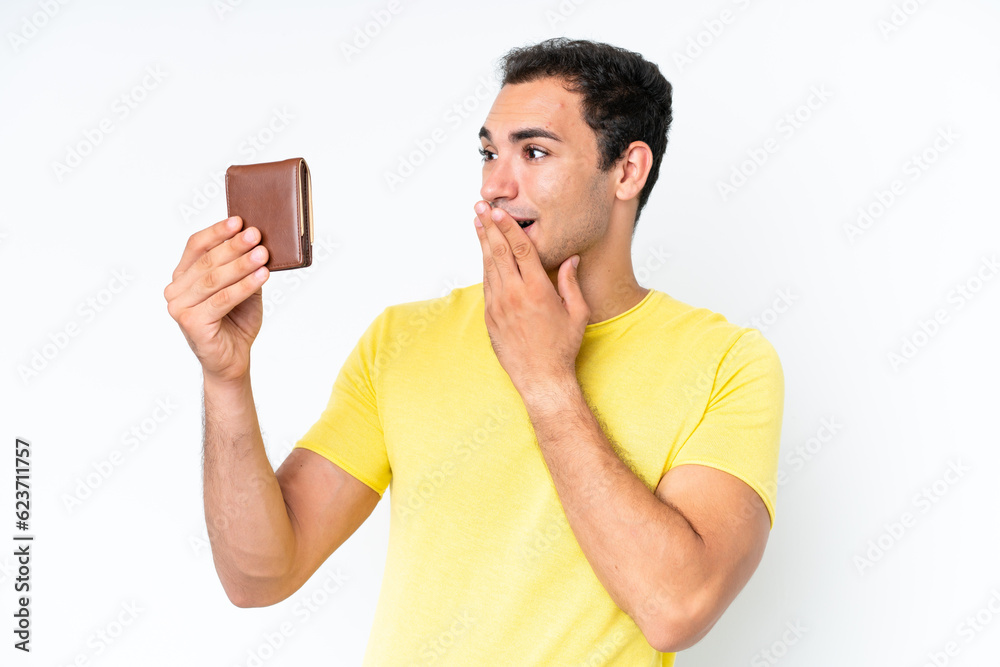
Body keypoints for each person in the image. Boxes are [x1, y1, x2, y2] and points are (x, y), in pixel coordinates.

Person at [165, 37, 784, 666]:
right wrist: (225, 377)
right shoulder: (403, 341)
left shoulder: (728, 362)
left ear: (627, 170)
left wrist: (546, 379)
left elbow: (676, 607)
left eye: (535, 151)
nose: (495, 185)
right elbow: (259, 577)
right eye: (489, 153)